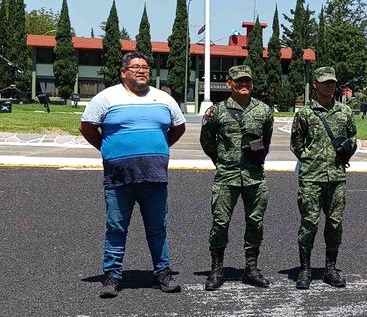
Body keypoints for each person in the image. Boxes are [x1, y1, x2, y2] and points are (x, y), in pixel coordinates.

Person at [80, 52, 186, 299]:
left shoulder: (163, 99)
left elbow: (178, 127)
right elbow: (87, 127)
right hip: (119, 179)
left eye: (146, 68)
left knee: (157, 228)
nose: (142, 71)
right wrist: (108, 150)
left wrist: (158, 148)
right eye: (136, 67)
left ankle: (162, 273)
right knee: (116, 228)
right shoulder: (106, 98)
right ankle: (112, 276)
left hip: (154, 177)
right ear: (123, 72)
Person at [199, 65, 274, 290]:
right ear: (229, 84)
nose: (244, 85)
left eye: (247, 81)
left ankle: (251, 268)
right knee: (220, 223)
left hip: (254, 176)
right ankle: (216, 269)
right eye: (239, 82)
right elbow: (207, 141)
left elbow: (266, 139)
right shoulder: (217, 111)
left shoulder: (264, 110)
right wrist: (221, 160)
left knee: (255, 222)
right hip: (226, 177)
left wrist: (257, 158)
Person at [290, 66, 358, 289]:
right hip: (311, 178)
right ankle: (306, 268)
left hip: (337, 177)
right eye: (325, 82)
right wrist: (310, 160)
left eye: (332, 82)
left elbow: (353, 138)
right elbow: (296, 144)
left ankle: (330, 267)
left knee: (335, 224)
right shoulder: (305, 114)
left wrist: (347, 149)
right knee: (309, 223)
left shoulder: (345, 112)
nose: (329, 86)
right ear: (315, 84)